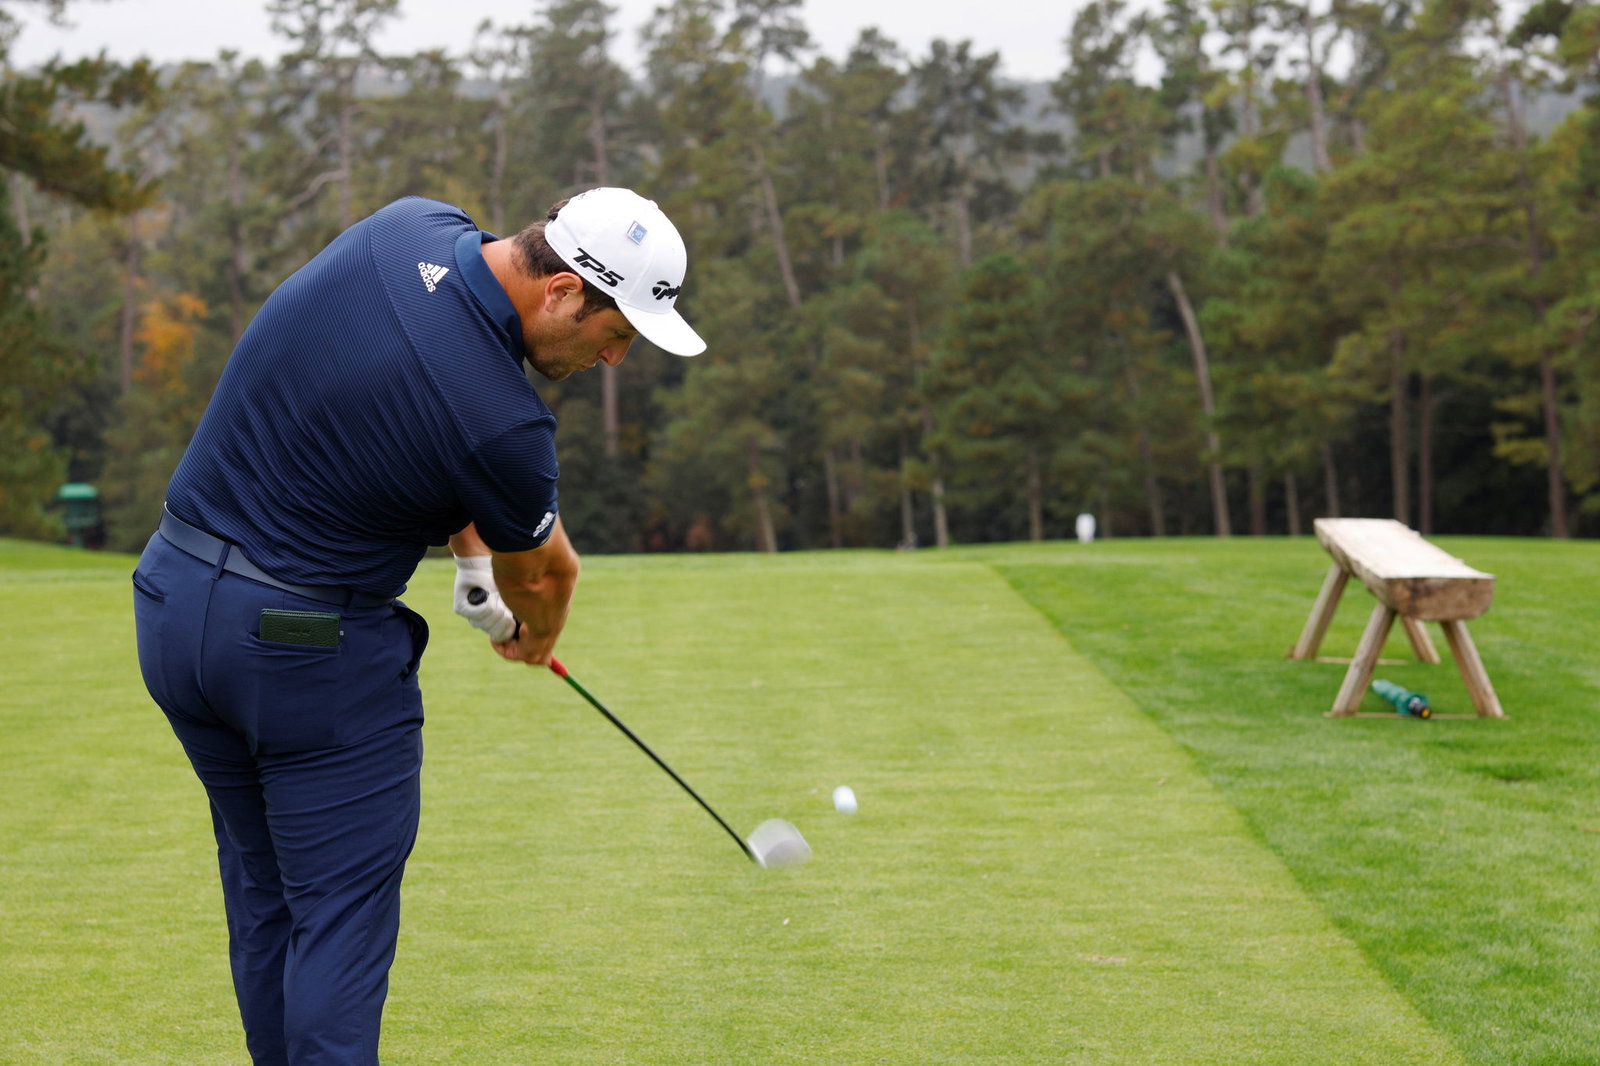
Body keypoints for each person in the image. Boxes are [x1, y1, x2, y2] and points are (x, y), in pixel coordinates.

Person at [131, 187, 705, 1065]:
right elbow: (551, 571)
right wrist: (531, 633)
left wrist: (471, 566)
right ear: (562, 293)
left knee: (269, 895)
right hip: (302, 655)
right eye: (615, 331)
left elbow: (400, 399)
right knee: (336, 919)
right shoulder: (507, 428)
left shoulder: (407, 226)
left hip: (172, 609)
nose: (616, 357)